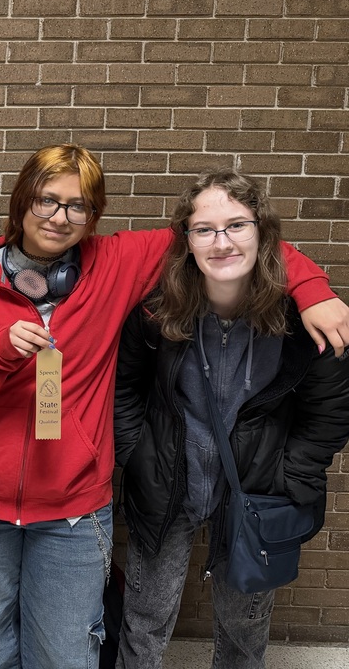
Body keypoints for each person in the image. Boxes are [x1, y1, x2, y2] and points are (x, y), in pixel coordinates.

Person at [0, 144, 349, 669]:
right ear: (22, 202)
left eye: (78, 206)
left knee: (65, 651)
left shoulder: (117, 262)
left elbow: (226, 239)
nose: (59, 217)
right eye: (46, 200)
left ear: (93, 215)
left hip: (74, 504)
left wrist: (312, 288)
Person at [113, 171, 349, 669]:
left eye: (237, 225)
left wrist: (292, 474)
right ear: (187, 240)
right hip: (167, 482)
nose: (222, 243)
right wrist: (137, 453)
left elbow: (329, 411)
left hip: (258, 490)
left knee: (244, 628)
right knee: (145, 618)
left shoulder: (305, 320)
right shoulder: (156, 311)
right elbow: (124, 387)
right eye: (205, 229)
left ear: (263, 232)